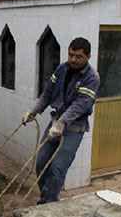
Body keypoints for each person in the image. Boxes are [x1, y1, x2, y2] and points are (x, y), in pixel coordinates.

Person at [21, 37, 100, 204]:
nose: (73, 59)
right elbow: (48, 93)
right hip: (56, 123)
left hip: (74, 128)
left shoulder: (92, 77)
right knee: (41, 163)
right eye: (71, 54)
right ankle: (48, 198)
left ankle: (47, 204)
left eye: (78, 56)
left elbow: (80, 105)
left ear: (88, 57)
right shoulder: (61, 69)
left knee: (57, 168)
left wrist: (62, 123)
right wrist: (33, 112)